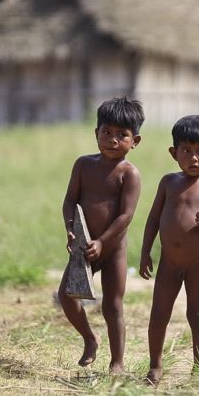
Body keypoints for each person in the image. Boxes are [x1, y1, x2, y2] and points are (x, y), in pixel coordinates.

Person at [139, 115, 199, 384]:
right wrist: (146, 251)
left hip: (198, 262)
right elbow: (153, 219)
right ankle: (155, 367)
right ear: (174, 153)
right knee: (159, 314)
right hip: (169, 262)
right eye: (186, 151)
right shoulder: (168, 183)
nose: (194, 158)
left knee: (197, 314)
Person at [57, 96, 144, 375]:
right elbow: (70, 200)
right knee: (66, 295)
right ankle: (90, 339)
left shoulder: (129, 174)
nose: (113, 140)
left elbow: (125, 216)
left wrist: (103, 241)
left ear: (135, 141)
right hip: (84, 246)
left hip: (113, 249)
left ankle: (117, 362)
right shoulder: (83, 165)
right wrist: (71, 230)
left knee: (113, 306)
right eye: (107, 132)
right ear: (96, 134)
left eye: (122, 135)